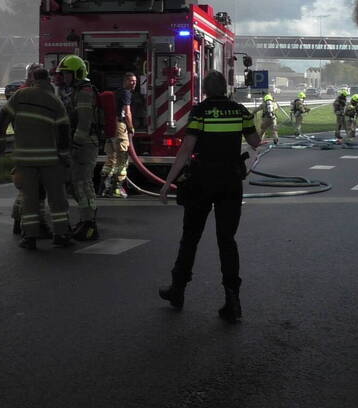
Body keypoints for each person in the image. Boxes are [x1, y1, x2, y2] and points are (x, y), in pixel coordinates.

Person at [158, 70, 263, 323]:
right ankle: (232, 299)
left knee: (190, 238)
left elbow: (186, 149)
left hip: (202, 181)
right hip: (230, 182)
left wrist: (168, 181)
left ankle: (178, 290)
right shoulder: (240, 111)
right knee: (227, 241)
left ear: (205, 90)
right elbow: (255, 141)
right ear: (225, 88)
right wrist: (261, 126)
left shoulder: (200, 111)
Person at [0, 69, 74, 250]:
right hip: (49, 159)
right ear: (48, 81)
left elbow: (3, 118)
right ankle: (60, 235)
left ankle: (29, 237)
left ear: (33, 80)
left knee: (30, 198)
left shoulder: (20, 95)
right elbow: (63, 130)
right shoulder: (55, 101)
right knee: (57, 198)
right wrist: (64, 155)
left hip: (24, 158)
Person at [0, 63, 51, 237]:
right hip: (38, 147)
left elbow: (4, 118)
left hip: (22, 145)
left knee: (25, 188)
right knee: (39, 190)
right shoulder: (38, 94)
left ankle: (18, 221)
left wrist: (0, 142)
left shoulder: (19, 93)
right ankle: (37, 226)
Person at [57, 54, 102, 241]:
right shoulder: (74, 90)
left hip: (84, 144)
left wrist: (74, 145)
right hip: (81, 143)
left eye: (67, 74)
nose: (64, 77)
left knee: (84, 184)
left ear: (77, 73)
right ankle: (86, 220)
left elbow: (84, 122)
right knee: (77, 184)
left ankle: (90, 224)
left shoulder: (84, 91)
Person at [100, 72, 137, 198]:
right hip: (120, 127)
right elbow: (127, 112)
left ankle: (103, 188)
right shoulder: (126, 93)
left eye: (135, 81)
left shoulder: (117, 92)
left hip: (111, 128)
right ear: (125, 81)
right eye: (131, 80)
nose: (134, 83)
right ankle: (117, 188)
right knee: (122, 159)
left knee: (111, 159)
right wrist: (131, 127)